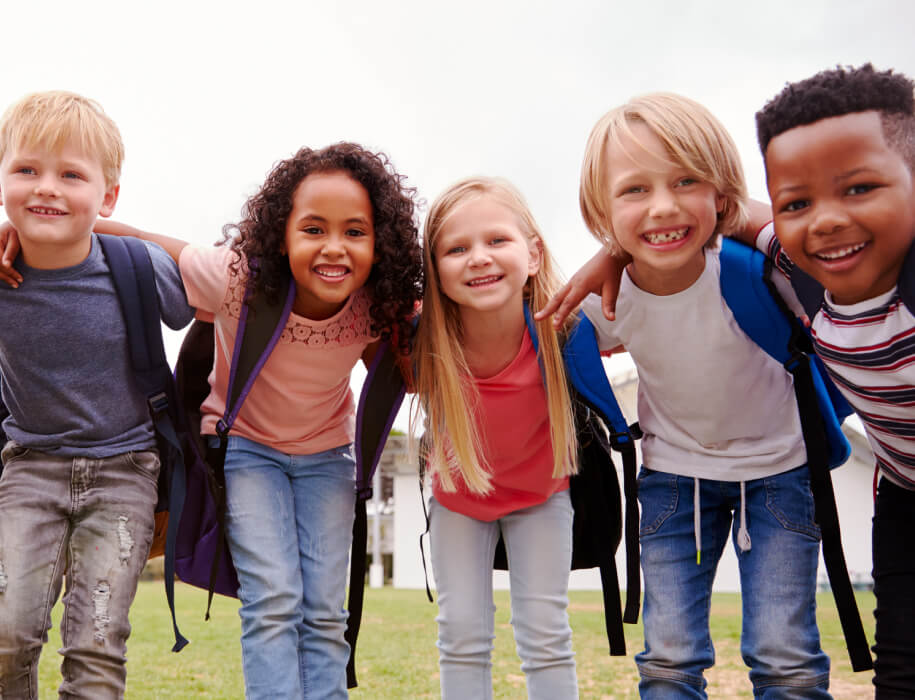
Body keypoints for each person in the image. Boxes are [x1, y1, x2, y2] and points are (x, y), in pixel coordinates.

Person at [2, 142, 425, 699]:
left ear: (380, 244)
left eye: (355, 232)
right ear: (281, 234)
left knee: (325, 612)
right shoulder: (237, 279)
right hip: (249, 452)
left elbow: (411, 375)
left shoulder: (377, 304)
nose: (334, 248)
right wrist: (20, 232)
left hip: (327, 457)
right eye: (313, 229)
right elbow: (136, 239)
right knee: (272, 600)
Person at [554, 93, 832, 698]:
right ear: (602, 209)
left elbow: (816, 253)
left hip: (781, 472)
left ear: (722, 194)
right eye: (634, 191)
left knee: (786, 658)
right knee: (669, 661)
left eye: (687, 181)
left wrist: (733, 213)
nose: (662, 206)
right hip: (674, 479)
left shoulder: (753, 268)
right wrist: (607, 254)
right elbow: (540, 335)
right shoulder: (608, 298)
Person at [0, 91, 194, 698]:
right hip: (29, 470)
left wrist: (118, 229)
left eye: (71, 175)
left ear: (107, 195)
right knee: (7, 634)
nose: (46, 188)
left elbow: (214, 277)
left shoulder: (137, 267)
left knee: (96, 642)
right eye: (26, 170)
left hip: (125, 473)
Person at [753, 63, 915, 699]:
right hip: (905, 498)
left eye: (858, 188)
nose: (823, 220)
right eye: (798, 201)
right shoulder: (804, 274)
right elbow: (730, 211)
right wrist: (613, 252)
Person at [412, 176, 582, 699]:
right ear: (435, 274)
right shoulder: (420, 340)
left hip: (543, 495)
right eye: (457, 249)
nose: (478, 258)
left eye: (496, 241)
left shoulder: (565, 327)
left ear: (533, 255)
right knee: (461, 632)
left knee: (545, 634)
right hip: (459, 499)